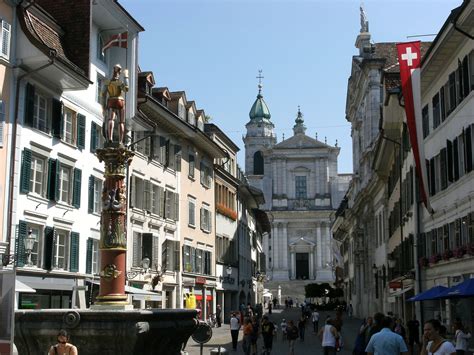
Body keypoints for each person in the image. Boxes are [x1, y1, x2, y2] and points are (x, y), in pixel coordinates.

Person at [101, 64, 129, 144]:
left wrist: (103, 106)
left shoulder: (107, 82)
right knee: (121, 122)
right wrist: (126, 76)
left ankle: (110, 137)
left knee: (110, 119)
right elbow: (126, 89)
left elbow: (103, 94)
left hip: (111, 101)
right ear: (119, 72)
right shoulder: (120, 82)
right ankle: (120, 140)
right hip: (120, 101)